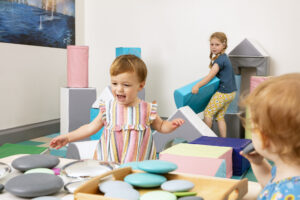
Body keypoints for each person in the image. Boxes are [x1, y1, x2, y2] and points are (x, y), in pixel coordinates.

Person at [50, 54, 184, 163]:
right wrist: (67, 137)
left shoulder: (147, 108)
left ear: (140, 86)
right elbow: (90, 128)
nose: (119, 89)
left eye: (126, 85)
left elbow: (161, 126)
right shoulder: (107, 108)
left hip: (138, 162)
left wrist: (171, 125)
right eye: (114, 83)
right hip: (109, 159)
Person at [240, 73, 300, 199]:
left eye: (254, 128)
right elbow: (270, 185)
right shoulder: (286, 172)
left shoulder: (289, 194)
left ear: (264, 138)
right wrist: (258, 164)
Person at [192, 32, 236, 137]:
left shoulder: (219, 60)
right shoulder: (224, 57)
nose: (214, 47)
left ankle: (207, 138)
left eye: (217, 44)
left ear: (223, 45)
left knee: (208, 113)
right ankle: (223, 140)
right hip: (231, 93)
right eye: (212, 44)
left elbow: (210, 76)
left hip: (223, 93)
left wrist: (197, 85)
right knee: (220, 117)